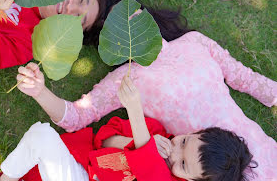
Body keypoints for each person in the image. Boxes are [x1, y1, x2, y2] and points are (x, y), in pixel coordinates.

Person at [15, 24, 277, 179]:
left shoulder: (194, 41)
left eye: (137, 12)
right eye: (118, 24)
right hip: (188, 169)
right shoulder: (128, 77)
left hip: (253, 154)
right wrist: (40, 91)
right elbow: (77, 117)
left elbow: (243, 77)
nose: (132, 22)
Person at [0, 77, 255, 181]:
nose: (173, 151)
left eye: (182, 163)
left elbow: (152, 173)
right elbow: (105, 144)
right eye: (183, 141)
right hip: (78, 175)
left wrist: (136, 113)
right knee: (42, 134)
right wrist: (142, 136)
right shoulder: (156, 130)